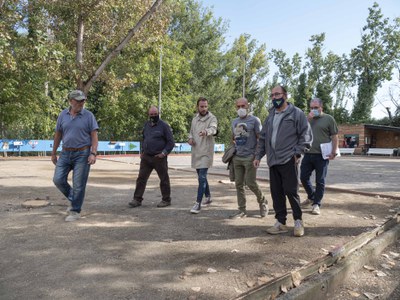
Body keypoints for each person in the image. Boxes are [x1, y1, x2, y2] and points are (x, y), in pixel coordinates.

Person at [254, 86, 312, 237]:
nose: (274, 97)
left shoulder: (296, 113)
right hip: (273, 161)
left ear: (285, 95)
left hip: (288, 159)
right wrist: (258, 156)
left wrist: (298, 153)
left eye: (277, 94)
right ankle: (280, 222)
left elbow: (305, 135)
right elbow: (263, 138)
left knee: (291, 191)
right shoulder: (270, 116)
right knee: (276, 193)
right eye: (272, 95)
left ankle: (298, 221)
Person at [52, 90, 99, 222]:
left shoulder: (89, 116)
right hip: (65, 153)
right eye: (78, 100)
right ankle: (75, 200)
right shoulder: (62, 115)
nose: (81, 103)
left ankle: (75, 211)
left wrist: (93, 153)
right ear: (71, 101)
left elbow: (94, 137)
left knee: (79, 184)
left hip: (83, 154)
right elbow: (58, 135)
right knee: (58, 180)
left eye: (83, 100)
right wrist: (53, 153)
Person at [128, 106, 175, 208]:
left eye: (155, 114)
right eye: (151, 114)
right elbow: (144, 139)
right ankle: (137, 199)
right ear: (148, 114)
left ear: (158, 113)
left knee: (164, 179)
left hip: (159, 157)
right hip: (146, 157)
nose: (153, 116)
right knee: (141, 179)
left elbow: (171, 142)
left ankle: (166, 200)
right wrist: (143, 152)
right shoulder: (146, 125)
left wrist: (164, 153)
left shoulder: (164, 126)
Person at [230, 97, 268, 219]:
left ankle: (263, 202)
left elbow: (260, 139)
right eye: (238, 106)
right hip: (237, 157)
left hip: (250, 157)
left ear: (248, 106)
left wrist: (257, 156)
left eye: (243, 106)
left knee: (251, 183)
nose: (241, 109)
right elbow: (233, 137)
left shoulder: (255, 120)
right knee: (239, 184)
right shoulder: (234, 121)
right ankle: (242, 210)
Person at [300, 98, 338, 215]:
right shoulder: (307, 119)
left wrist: (333, 151)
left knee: (320, 181)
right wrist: (307, 119)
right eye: (311, 108)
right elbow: (300, 131)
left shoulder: (328, 119)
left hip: (322, 155)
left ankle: (316, 204)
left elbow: (334, 136)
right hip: (308, 153)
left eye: (316, 108)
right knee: (303, 177)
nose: (313, 110)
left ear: (321, 107)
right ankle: (311, 196)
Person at [188, 97, 218, 214]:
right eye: (202, 106)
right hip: (196, 152)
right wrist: (190, 139)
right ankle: (209, 197)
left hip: (206, 153)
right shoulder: (194, 119)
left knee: (201, 178)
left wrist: (207, 132)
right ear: (197, 107)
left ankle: (197, 203)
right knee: (202, 178)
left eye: (206, 106)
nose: (204, 108)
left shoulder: (212, 118)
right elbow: (191, 132)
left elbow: (213, 129)